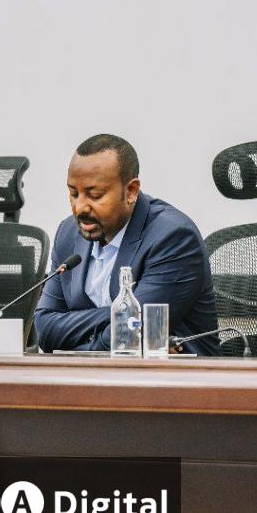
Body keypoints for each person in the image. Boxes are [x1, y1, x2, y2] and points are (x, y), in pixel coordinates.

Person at [34, 134, 219, 354]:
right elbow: (45, 329)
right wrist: (118, 316)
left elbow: (126, 338)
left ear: (131, 191)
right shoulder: (68, 233)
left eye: (95, 195)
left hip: (174, 374)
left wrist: (76, 337)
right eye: (74, 193)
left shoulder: (173, 238)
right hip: (89, 373)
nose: (80, 207)